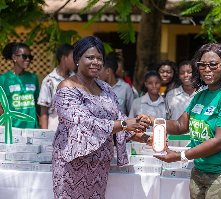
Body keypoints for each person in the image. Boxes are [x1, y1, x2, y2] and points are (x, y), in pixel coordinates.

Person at [143, 43, 221, 199]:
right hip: (200, 171)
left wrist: (181, 156)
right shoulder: (201, 96)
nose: (207, 69)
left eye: (213, 64)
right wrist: (152, 120)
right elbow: (180, 126)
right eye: (202, 65)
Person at [51, 36, 151, 199]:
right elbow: (82, 123)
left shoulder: (105, 88)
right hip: (72, 167)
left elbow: (121, 125)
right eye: (90, 57)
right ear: (77, 59)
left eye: (99, 58)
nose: (95, 62)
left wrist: (149, 139)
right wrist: (125, 123)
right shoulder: (67, 87)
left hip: (99, 167)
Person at [0, 42, 39, 128]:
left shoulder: (33, 78)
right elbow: (1, 108)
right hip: (12, 128)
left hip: (32, 128)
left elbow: (36, 104)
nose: (28, 59)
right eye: (24, 56)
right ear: (14, 57)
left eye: (30, 57)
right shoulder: (3, 79)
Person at [38, 43, 75, 130]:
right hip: (55, 126)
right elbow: (44, 111)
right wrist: (45, 134)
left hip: (73, 128)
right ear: (64, 58)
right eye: (73, 57)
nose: (76, 61)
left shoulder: (76, 79)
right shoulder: (49, 81)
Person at [165, 60, 203, 146]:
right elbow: (167, 117)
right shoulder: (171, 95)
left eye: (189, 72)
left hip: (197, 142)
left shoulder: (203, 94)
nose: (185, 75)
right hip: (174, 141)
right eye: (182, 72)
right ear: (179, 76)